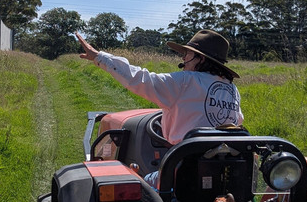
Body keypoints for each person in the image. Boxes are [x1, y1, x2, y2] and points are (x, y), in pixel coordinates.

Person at [76, 28, 243, 146]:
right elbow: (237, 121)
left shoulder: (185, 82)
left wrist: (100, 57)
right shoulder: (232, 90)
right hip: (224, 164)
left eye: (187, 53)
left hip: (185, 166)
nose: (184, 57)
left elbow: (140, 79)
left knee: (144, 183)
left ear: (201, 59)